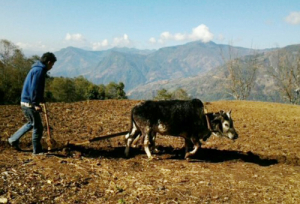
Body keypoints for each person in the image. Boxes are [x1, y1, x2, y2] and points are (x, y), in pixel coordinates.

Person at [8, 52, 57, 155]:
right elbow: (34, 88)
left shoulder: (36, 69)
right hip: (29, 103)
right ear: (49, 62)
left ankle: (13, 139)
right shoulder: (39, 71)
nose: (52, 67)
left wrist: (41, 98)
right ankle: (37, 151)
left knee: (31, 123)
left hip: (26, 101)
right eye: (52, 64)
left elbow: (36, 88)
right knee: (38, 127)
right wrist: (35, 104)